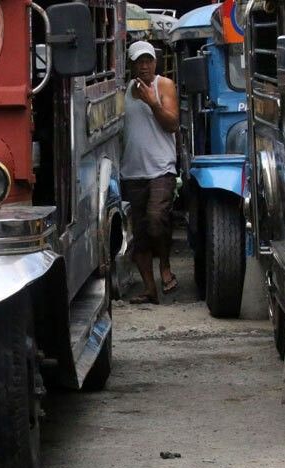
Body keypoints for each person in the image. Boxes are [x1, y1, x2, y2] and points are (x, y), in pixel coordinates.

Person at [121, 41, 180, 305]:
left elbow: (173, 124)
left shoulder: (163, 85)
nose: (144, 65)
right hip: (131, 172)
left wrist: (153, 103)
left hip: (161, 168)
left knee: (157, 219)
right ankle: (149, 289)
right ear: (132, 64)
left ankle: (165, 266)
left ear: (155, 62)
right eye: (139, 61)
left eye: (148, 60)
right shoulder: (123, 91)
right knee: (140, 234)